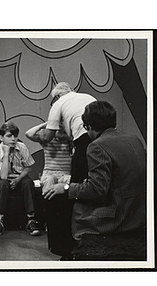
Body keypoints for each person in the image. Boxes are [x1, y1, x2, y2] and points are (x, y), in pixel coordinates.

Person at [43, 100, 146, 259]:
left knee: (56, 198)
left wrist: (64, 187)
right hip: (138, 214)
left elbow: (96, 190)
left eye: (85, 127)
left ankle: (67, 254)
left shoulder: (97, 146)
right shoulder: (134, 139)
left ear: (89, 126)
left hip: (118, 218)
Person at [36, 82, 97, 183]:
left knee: (78, 177)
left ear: (57, 96)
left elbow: (47, 137)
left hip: (84, 136)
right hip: (101, 135)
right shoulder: (87, 96)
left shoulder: (59, 103)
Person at [0, 121, 41, 236]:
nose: (13, 139)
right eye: (9, 136)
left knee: (28, 183)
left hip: (20, 177)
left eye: (15, 136)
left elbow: (28, 168)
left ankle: (31, 220)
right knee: (3, 184)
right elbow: (3, 175)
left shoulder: (22, 147)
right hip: (5, 178)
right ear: (1, 137)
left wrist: (17, 180)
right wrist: (6, 154)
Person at [25, 122, 72, 194]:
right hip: (50, 173)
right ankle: (47, 202)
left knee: (69, 180)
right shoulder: (47, 140)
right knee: (50, 180)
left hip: (65, 173)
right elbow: (29, 134)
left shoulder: (70, 140)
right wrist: (46, 124)